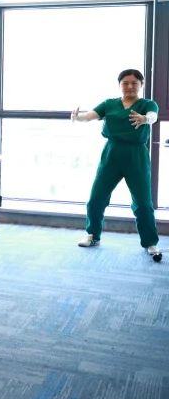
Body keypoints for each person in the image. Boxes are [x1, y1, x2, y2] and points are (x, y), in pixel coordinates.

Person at [73, 68, 160, 259]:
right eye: (125, 83)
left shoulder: (147, 104)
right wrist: (78, 117)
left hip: (136, 155)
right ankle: (92, 235)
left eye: (134, 83)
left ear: (141, 84)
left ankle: (150, 242)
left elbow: (153, 117)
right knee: (96, 197)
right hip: (111, 153)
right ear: (119, 85)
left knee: (143, 202)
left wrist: (145, 119)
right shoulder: (109, 104)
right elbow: (91, 115)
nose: (130, 86)